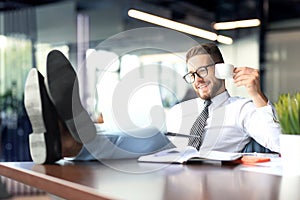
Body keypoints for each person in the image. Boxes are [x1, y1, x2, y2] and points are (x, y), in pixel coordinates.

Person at [24, 50, 174, 164]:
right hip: (174, 148)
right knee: (154, 137)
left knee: (155, 137)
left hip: (176, 150)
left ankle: (70, 141)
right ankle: (72, 140)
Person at [166, 43, 280, 153]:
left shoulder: (241, 110)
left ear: (220, 69)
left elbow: (278, 143)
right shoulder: (177, 111)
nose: (197, 80)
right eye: (192, 75)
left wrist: (257, 94)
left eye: (202, 71)